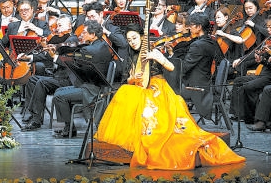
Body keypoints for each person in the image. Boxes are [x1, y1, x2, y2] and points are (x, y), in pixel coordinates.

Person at [95, 24, 244, 169]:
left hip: (157, 87)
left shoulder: (153, 51)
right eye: (129, 40)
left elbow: (172, 67)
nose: (132, 42)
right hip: (138, 87)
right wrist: (133, 78)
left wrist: (158, 58)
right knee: (124, 91)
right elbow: (127, 79)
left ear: (142, 37)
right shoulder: (130, 55)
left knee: (148, 111)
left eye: (134, 38)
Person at [52, 20, 113, 138]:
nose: (81, 35)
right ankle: (69, 127)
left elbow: (75, 64)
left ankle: (69, 129)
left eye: (84, 32)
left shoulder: (88, 50)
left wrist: (56, 57)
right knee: (59, 91)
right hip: (98, 87)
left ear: (93, 34)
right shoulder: (104, 46)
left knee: (59, 96)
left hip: (92, 90)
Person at [20, 15, 77, 131]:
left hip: (67, 79)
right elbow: (47, 55)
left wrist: (54, 55)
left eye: (60, 25)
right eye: (57, 25)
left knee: (42, 82)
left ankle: (36, 120)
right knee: (32, 80)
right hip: (57, 76)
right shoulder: (60, 40)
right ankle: (34, 115)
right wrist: (29, 58)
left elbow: (67, 62)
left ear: (69, 26)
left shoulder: (72, 41)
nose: (57, 28)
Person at [230, 15, 271, 125]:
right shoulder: (268, 40)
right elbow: (261, 57)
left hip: (268, 77)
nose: (268, 30)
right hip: (263, 73)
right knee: (239, 81)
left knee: (248, 87)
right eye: (267, 27)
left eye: (270, 27)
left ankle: (252, 117)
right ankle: (239, 114)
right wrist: (261, 59)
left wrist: (265, 59)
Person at [180, 13, 219, 119]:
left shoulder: (197, 45)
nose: (189, 28)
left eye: (191, 25)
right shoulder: (210, 41)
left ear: (199, 27)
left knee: (166, 89)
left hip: (195, 87)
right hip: (204, 82)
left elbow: (184, 68)